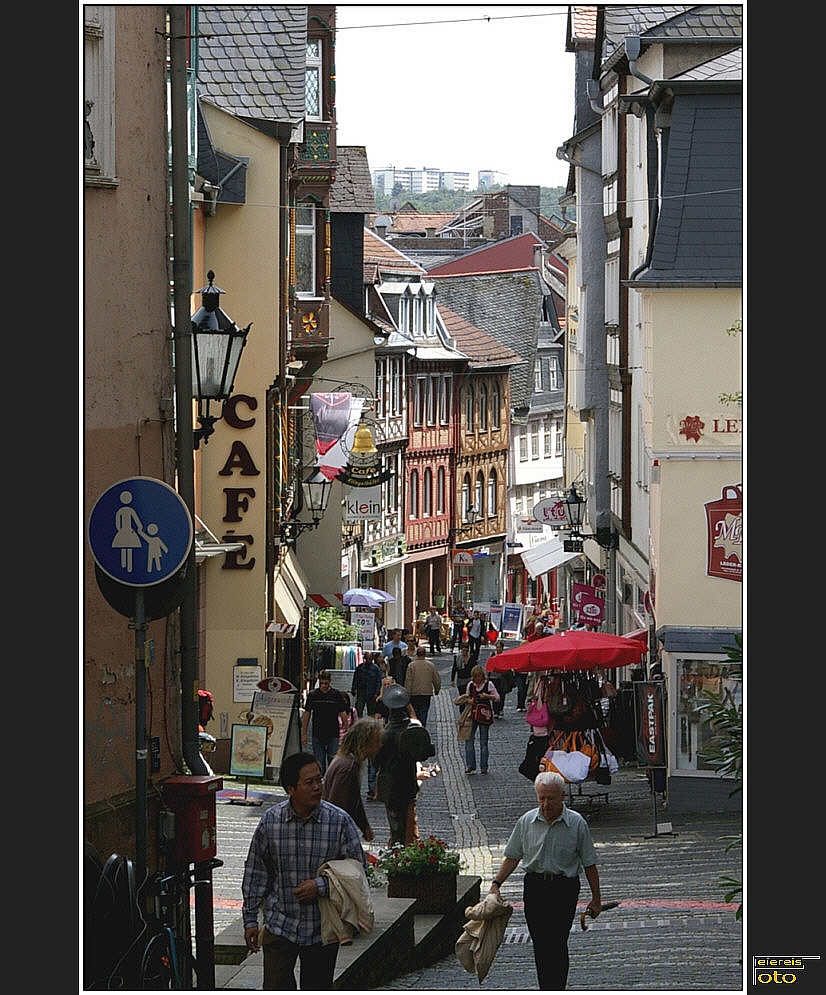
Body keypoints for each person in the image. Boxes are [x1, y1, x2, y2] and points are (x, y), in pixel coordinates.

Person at [241, 751, 366, 989]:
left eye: (320, 780)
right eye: (309, 783)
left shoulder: (338, 822)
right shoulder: (271, 821)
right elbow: (257, 872)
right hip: (281, 925)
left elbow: (358, 871)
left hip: (322, 929)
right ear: (291, 789)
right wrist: (250, 920)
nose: (318, 787)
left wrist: (321, 887)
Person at [488, 771, 602, 990]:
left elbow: (589, 863)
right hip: (535, 887)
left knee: (557, 942)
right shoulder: (527, 822)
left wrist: (596, 899)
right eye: (541, 798)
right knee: (540, 944)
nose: (546, 804)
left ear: (562, 797)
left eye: (551, 798)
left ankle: (556, 987)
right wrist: (496, 884)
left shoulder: (576, 824)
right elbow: (512, 856)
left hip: (564, 888)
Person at [374, 683, 435, 845]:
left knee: (396, 827)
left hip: (389, 785)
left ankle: (397, 856)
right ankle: (403, 855)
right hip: (408, 782)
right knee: (408, 822)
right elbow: (427, 752)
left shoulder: (383, 734)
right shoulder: (412, 729)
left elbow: (375, 761)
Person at [322, 717, 384, 842]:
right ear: (367, 742)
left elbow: (354, 799)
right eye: (377, 741)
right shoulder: (348, 767)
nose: (380, 745)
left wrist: (364, 826)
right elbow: (337, 807)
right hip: (333, 835)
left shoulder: (348, 762)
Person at [301, 671, 350, 775]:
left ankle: (331, 782)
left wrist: (347, 730)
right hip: (317, 733)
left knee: (333, 761)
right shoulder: (313, 695)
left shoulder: (336, 695)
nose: (323, 686)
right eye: (322, 683)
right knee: (319, 762)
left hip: (333, 732)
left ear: (330, 682)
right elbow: (307, 714)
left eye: (326, 683)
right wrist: (304, 733)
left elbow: (343, 712)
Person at [455, 664, 499, 774]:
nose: (477, 679)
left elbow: (497, 698)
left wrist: (487, 697)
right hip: (472, 715)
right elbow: (467, 696)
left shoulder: (488, 684)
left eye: (479, 676)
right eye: (475, 677)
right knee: (469, 740)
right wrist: (468, 700)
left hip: (484, 716)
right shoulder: (470, 685)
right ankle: (470, 765)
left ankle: (484, 766)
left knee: (483, 742)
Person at [404, 645, 442, 729]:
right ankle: (422, 728)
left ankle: (414, 727)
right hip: (426, 692)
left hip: (414, 693)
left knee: (414, 712)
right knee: (423, 712)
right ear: (425, 654)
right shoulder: (430, 665)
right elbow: (436, 679)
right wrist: (437, 689)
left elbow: (408, 681)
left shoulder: (411, 665)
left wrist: (407, 694)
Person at [350, 652, 382, 718]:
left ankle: (371, 726)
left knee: (371, 711)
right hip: (361, 691)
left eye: (370, 658)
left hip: (371, 693)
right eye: (367, 658)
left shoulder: (376, 669)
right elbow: (355, 679)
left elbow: (378, 682)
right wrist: (354, 688)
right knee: (359, 709)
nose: (368, 660)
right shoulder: (360, 668)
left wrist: (377, 692)